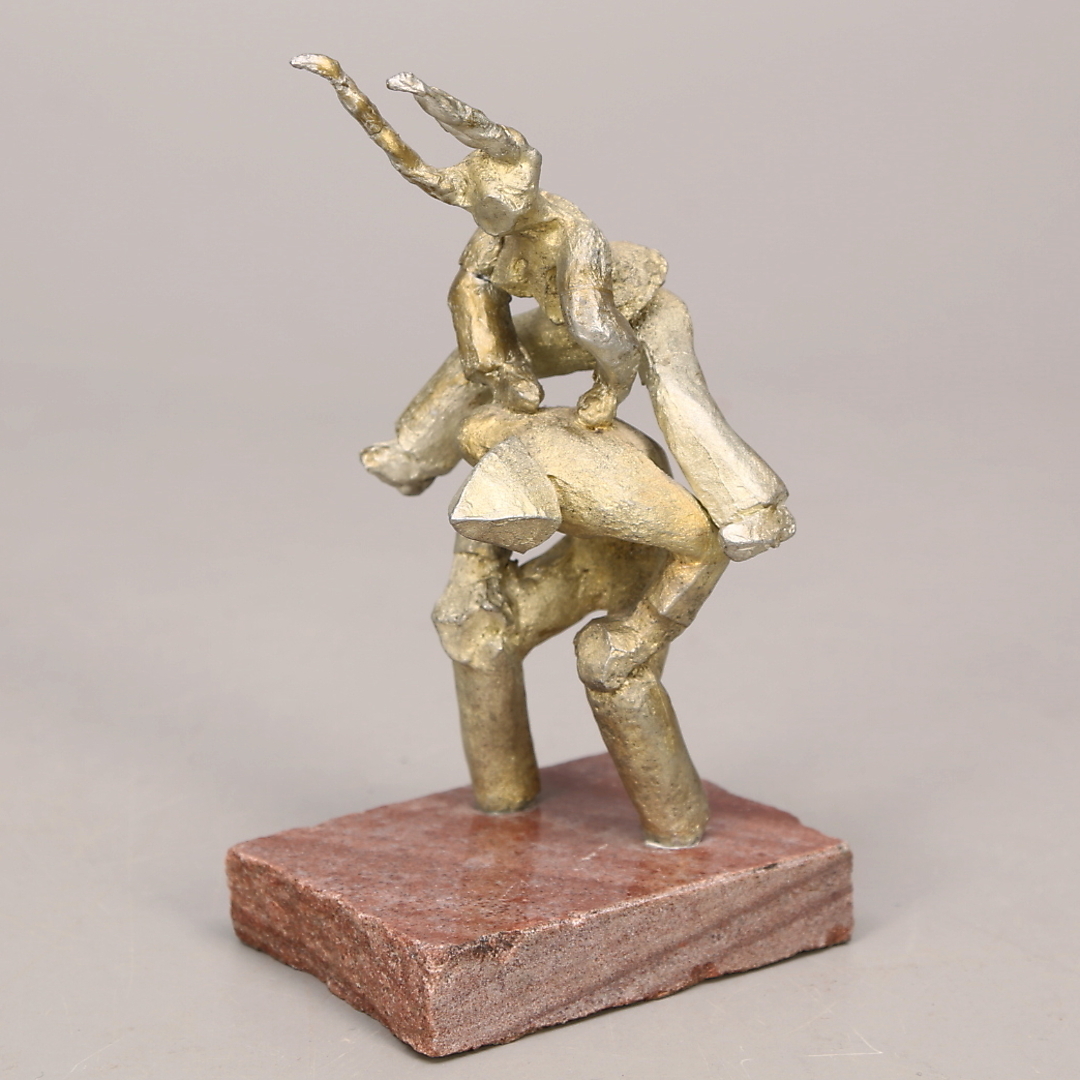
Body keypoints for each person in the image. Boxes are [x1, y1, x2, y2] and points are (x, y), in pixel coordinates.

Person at [292, 56, 796, 845]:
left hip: (628, 318)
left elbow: (602, 332)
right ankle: (411, 451)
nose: (493, 220)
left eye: (502, 207)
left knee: (681, 397)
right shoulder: (488, 235)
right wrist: (352, 90)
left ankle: (748, 505)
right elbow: (424, 197)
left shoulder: (569, 233)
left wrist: (603, 395)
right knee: (467, 379)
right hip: (561, 342)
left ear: (524, 193)